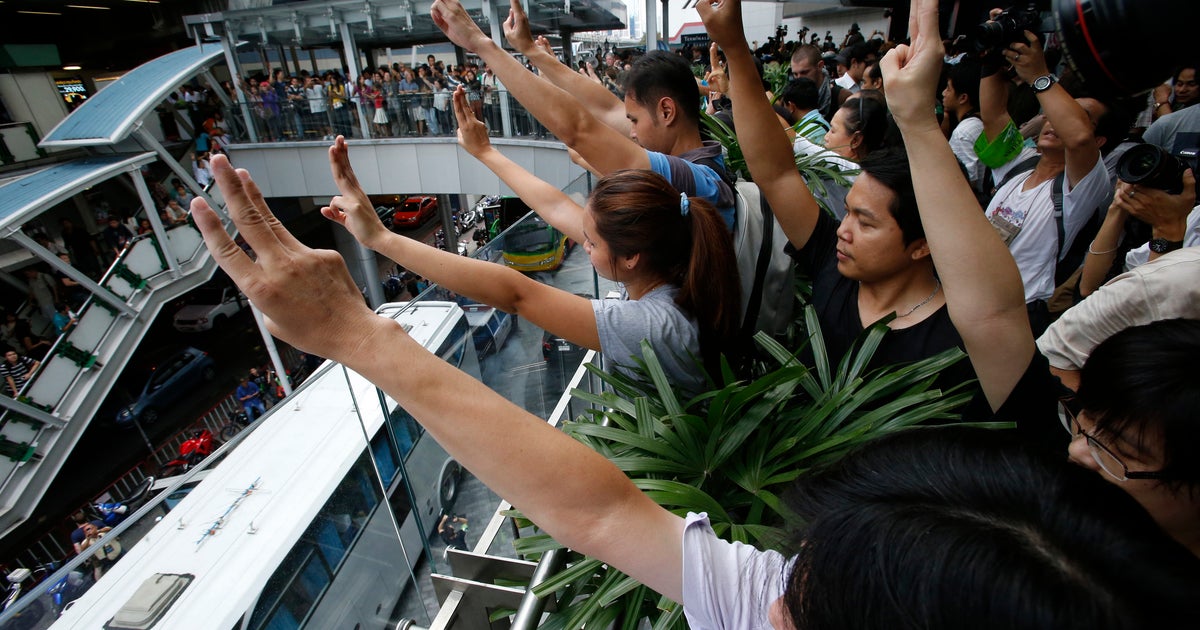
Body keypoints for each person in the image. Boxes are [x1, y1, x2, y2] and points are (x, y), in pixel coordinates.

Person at [190, 116, 1200, 629]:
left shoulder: (654, 329)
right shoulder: (705, 273)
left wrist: (364, 325)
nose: (767, 610)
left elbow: (509, 292)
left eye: (801, 611)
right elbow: (600, 512)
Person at [324, 111, 740, 391]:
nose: (583, 243)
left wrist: (381, 238)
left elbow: (516, 293)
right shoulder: (679, 262)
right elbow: (557, 206)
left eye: (591, 242)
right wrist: (486, 152)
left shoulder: (650, 324)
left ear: (632, 256)